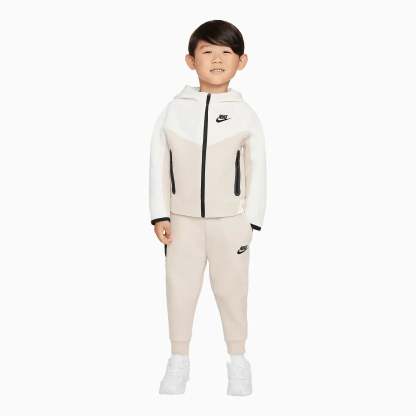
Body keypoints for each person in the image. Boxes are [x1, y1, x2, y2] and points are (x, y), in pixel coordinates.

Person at [148, 20, 267, 395]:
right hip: (182, 223)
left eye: (226, 52)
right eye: (207, 51)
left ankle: (238, 361)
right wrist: (160, 213)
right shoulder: (173, 111)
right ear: (190, 60)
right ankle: (178, 360)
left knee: (233, 291)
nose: (217, 59)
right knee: (179, 289)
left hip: (230, 222)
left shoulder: (245, 114)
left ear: (241, 61)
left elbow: (258, 169)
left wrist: (251, 221)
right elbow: (158, 164)